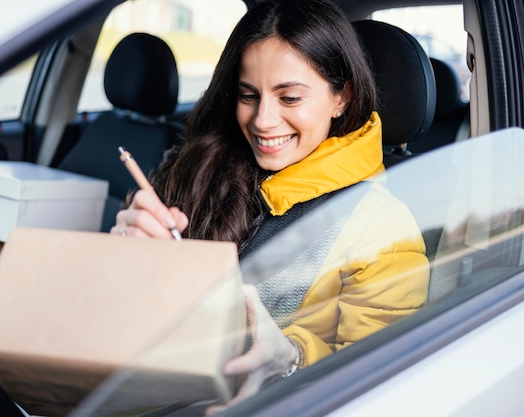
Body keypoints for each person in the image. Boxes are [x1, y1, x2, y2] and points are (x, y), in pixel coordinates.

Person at [111, 0, 430, 411]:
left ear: (342, 98)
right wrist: (126, 256)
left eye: (290, 97)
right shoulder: (201, 162)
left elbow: (375, 383)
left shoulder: (380, 225)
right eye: (249, 95)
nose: (262, 120)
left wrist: (292, 357)